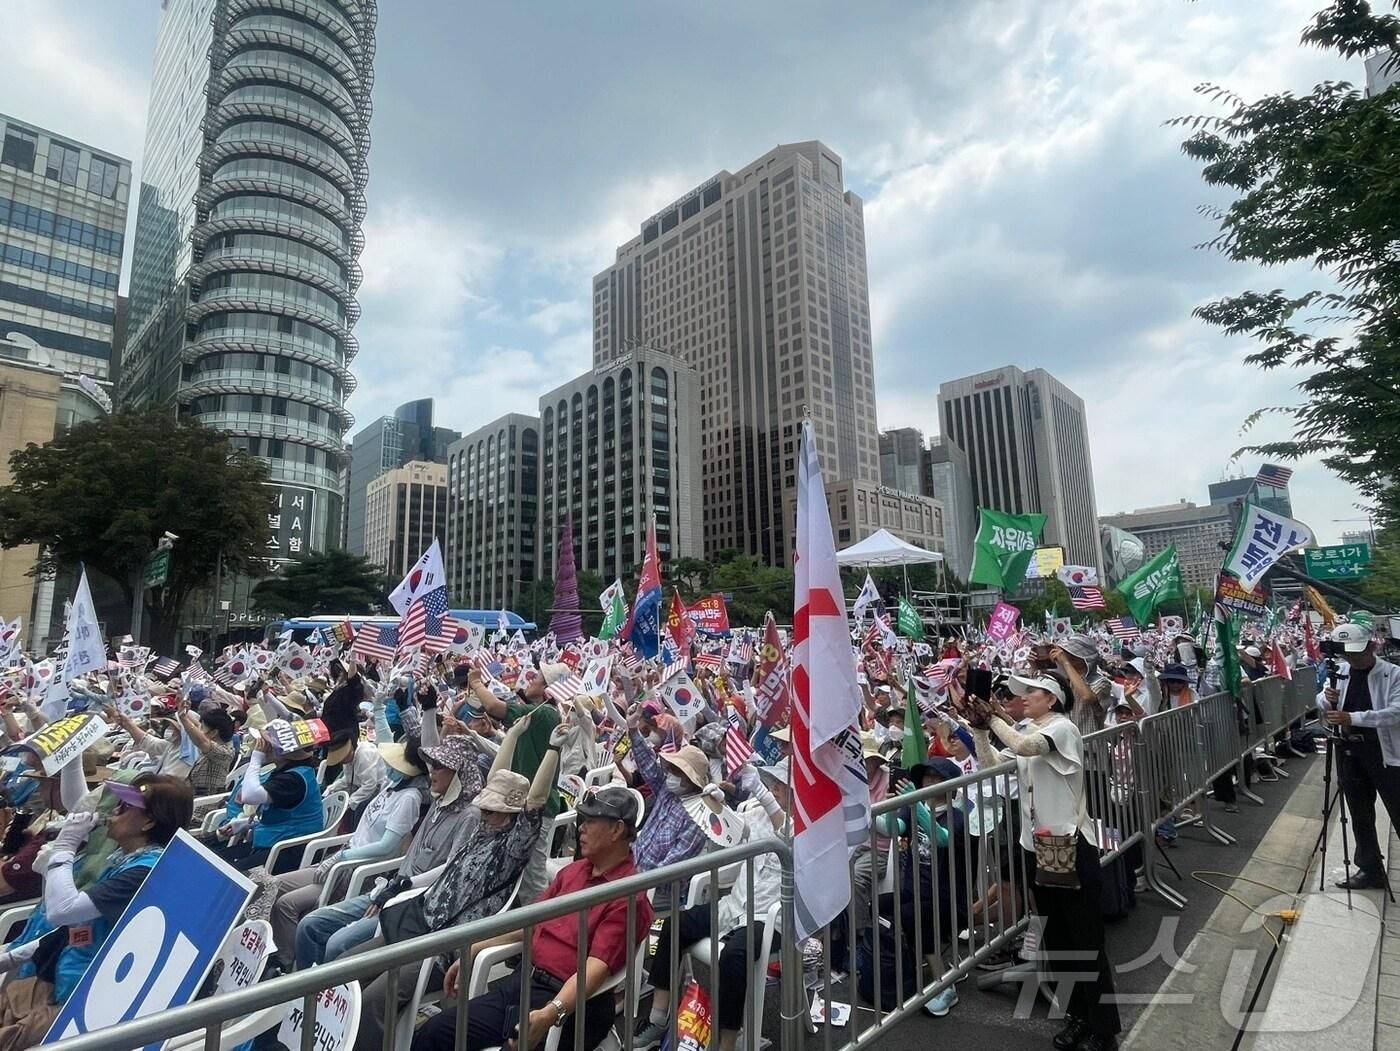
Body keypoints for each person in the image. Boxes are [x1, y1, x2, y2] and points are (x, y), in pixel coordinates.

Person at [351, 721, 564, 1051]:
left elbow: (535, 802)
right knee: (343, 970)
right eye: (484, 807)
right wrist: (511, 735)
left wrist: (551, 750)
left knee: (372, 1001)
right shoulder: (483, 828)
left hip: (438, 949)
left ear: (509, 816)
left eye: (492, 810)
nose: (483, 814)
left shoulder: (512, 848)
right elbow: (497, 773)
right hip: (414, 926)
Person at [409, 784, 654, 1051]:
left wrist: (552, 1012)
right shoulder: (574, 872)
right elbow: (533, 920)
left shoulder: (627, 895)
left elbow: (595, 969)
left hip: (571, 1006)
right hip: (523, 984)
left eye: (590, 821)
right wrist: (478, 947)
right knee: (433, 1034)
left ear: (617, 830)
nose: (581, 828)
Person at [966, 672, 1120, 1051]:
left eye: (1032, 692)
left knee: (1086, 941)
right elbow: (989, 765)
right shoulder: (1022, 728)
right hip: (1038, 849)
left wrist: (993, 719)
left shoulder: (1063, 728)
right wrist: (980, 729)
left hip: (1071, 847)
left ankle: (1103, 1029)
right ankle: (1077, 1017)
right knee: (1058, 939)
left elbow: (1026, 746)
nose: (1023, 698)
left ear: (1052, 699)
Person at [0, 775, 193, 1049]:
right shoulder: (124, 858)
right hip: (61, 976)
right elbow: (70, 927)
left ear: (149, 822)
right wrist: (11, 958)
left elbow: (62, 911)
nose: (114, 811)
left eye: (126, 808)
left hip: (85, 1002)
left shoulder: (145, 871)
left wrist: (65, 847)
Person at [296, 732, 485, 968]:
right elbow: (420, 738)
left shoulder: (469, 815)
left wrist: (402, 886)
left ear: (458, 774)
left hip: (414, 901)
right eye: (431, 765)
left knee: (337, 943)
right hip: (390, 888)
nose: (431, 771)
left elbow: (452, 869)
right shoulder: (439, 801)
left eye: (439, 766)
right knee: (310, 925)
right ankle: (302, 995)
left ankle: (321, 997)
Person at [636, 761, 787, 1051]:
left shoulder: (804, 824)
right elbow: (736, 833)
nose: (775, 789)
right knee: (674, 925)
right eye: (773, 784)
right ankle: (658, 1018)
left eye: (781, 785)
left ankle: (726, 1042)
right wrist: (720, 807)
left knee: (734, 956)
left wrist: (761, 793)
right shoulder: (759, 813)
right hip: (735, 904)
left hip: (771, 916)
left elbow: (787, 836)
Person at [268, 737, 427, 971]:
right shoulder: (391, 788)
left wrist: (342, 858)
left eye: (394, 765)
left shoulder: (409, 798)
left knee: (286, 905)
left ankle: (289, 964)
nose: (389, 767)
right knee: (273, 884)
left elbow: (386, 846)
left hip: (353, 870)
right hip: (343, 857)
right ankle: (271, 950)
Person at [469, 662, 568, 901]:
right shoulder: (540, 712)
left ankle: (538, 926)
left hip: (536, 806)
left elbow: (492, 706)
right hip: (523, 801)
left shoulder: (543, 713)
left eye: (537, 678)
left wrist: (475, 682)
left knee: (532, 875)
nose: (530, 679)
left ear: (548, 688)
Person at [1318, 621, 1400, 890]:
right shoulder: (1341, 671)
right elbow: (1322, 702)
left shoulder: (1393, 674)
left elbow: (1395, 713)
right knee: (1359, 813)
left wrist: (1351, 717)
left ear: (1372, 646)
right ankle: (1370, 868)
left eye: (1357, 653)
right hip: (1349, 750)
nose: (1353, 659)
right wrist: (1326, 698)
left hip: (1385, 753)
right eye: (1347, 654)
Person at [210, 724, 324, 872]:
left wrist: (256, 758)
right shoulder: (289, 772)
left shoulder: (293, 779)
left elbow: (249, 795)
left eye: (268, 744)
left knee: (224, 872)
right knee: (215, 859)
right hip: (274, 840)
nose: (263, 747)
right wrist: (245, 823)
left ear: (283, 752)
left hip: (288, 850)